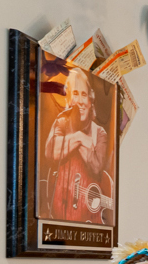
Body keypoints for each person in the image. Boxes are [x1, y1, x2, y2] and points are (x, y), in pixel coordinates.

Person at [43, 67, 112, 224]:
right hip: (58, 211)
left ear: (90, 101)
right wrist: (80, 137)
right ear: (68, 99)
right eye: (75, 94)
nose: (80, 101)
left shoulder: (99, 132)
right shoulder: (61, 122)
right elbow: (51, 152)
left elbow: (96, 167)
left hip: (86, 216)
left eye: (84, 95)